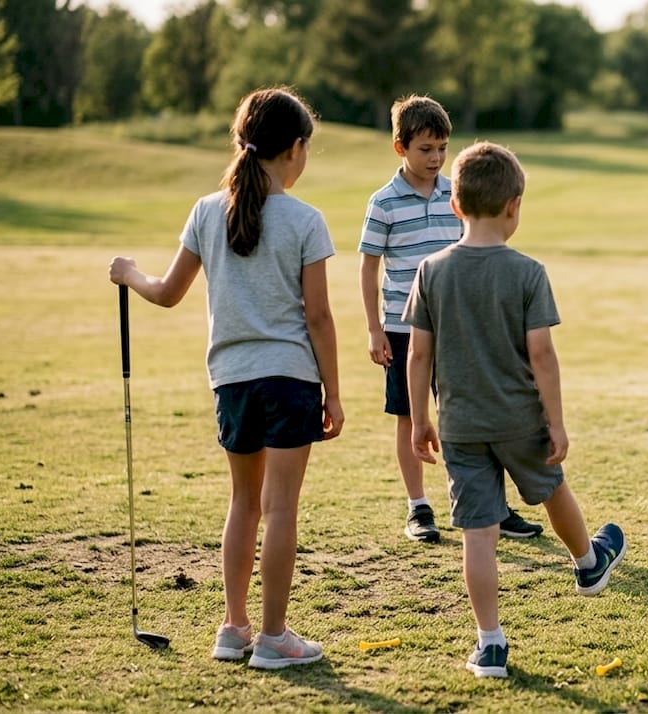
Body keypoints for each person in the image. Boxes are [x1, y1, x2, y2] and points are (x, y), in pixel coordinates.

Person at [109, 87, 341, 668]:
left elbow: (164, 294)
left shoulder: (205, 210)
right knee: (281, 505)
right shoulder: (306, 219)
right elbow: (318, 316)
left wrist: (130, 273)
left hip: (232, 381)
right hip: (289, 378)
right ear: (294, 149)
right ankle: (273, 638)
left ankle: (233, 627)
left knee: (245, 502)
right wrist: (333, 392)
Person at [404, 141, 626, 678]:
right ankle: (588, 564)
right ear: (514, 205)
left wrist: (419, 421)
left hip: (460, 425)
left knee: (479, 534)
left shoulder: (431, 270)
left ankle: (491, 644)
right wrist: (556, 420)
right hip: (521, 420)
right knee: (551, 490)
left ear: (456, 204)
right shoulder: (527, 272)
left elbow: (418, 354)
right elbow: (542, 355)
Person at [358, 95, 542, 544]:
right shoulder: (383, 202)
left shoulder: (455, 195)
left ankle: (493, 509)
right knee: (409, 415)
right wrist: (374, 328)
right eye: (425, 149)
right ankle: (418, 508)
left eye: (442, 148)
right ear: (400, 148)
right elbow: (368, 266)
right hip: (404, 331)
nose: (436, 157)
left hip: (458, 326)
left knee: (475, 414)